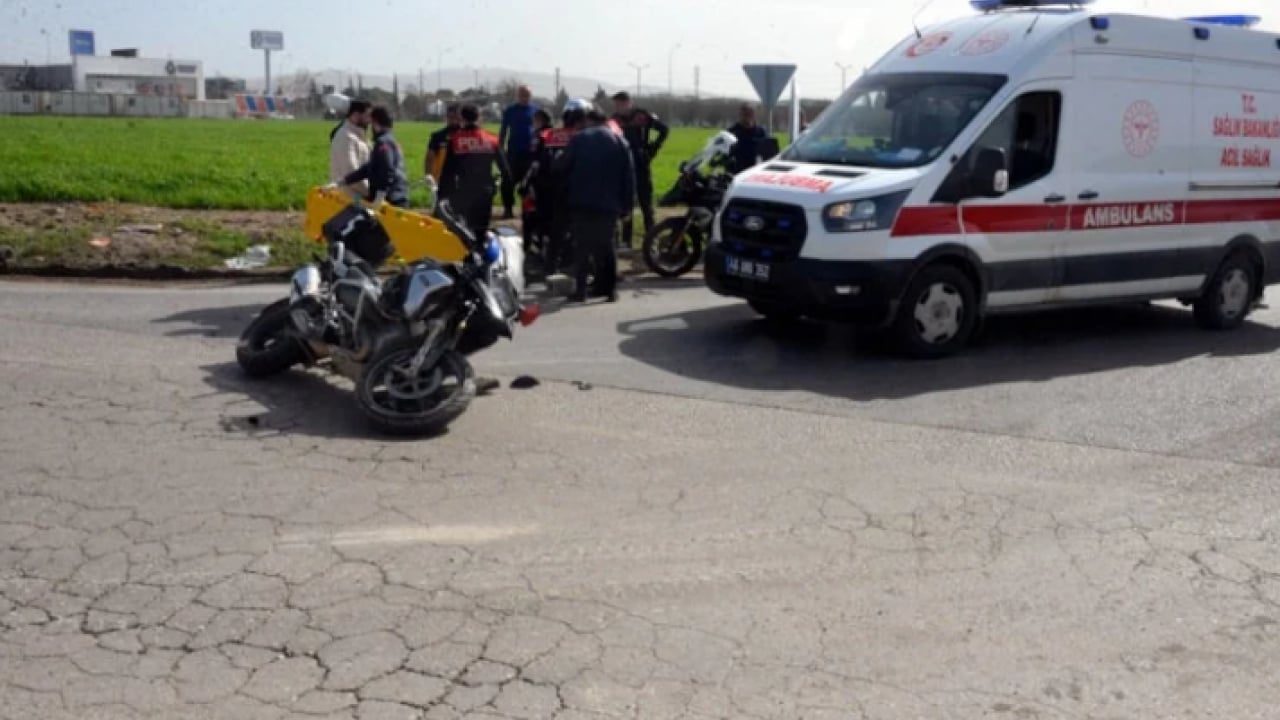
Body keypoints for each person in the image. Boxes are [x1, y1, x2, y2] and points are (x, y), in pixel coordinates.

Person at [556, 107, 634, 303]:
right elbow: (629, 177)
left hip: (582, 201)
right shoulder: (620, 141)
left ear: (588, 120)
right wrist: (627, 206)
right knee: (607, 247)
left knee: (582, 246)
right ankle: (610, 290)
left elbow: (561, 166)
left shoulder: (579, 139)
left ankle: (580, 291)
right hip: (609, 204)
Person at [528, 99, 589, 278]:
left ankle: (550, 265)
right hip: (578, 189)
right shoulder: (585, 137)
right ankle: (574, 263)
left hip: (550, 190)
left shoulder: (546, 135)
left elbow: (534, 163)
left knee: (555, 230)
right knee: (579, 229)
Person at [440, 103, 510, 237]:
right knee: (481, 229)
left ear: (462, 118)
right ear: (479, 117)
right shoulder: (492, 139)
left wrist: (442, 195)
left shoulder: (455, 140)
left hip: (463, 190)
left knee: (464, 230)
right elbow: (505, 170)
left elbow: (448, 172)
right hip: (485, 190)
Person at [611, 91, 669, 248]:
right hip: (623, 167)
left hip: (641, 164)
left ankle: (652, 241)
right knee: (626, 205)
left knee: (646, 205)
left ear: (630, 102)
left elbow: (664, 130)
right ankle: (626, 241)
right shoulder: (614, 120)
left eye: (622, 103)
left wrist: (652, 150)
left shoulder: (641, 116)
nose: (619, 106)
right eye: (617, 103)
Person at [340, 105, 409, 208]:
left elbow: (387, 169)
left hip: (391, 201)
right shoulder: (391, 141)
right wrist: (343, 181)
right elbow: (368, 168)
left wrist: (380, 195)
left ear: (375, 123)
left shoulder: (383, 143)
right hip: (397, 197)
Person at [498, 85, 538, 220]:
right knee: (508, 182)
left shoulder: (535, 111)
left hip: (530, 153)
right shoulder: (510, 111)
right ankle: (508, 209)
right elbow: (504, 130)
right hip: (513, 152)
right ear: (518, 96)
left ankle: (527, 210)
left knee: (529, 183)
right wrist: (500, 149)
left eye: (527, 95)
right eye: (522, 95)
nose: (525, 98)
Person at [329, 99, 372, 197]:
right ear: (356, 115)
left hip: (360, 198)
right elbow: (351, 173)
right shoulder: (345, 137)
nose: (370, 120)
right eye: (367, 116)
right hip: (348, 200)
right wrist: (371, 193)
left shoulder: (361, 136)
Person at [727, 103, 769, 175]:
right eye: (744, 114)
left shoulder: (761, 131)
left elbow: (768, 152)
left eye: (749, 114)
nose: (747, 117)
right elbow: (726, 154)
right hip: (736, 171)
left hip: (755, 171)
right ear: (740, 115)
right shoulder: (732, 132)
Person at [425, 104, 460, 183]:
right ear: (446, 117)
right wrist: (428, 175)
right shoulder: (438, 136)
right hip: (442, 179)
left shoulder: (467, 135)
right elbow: (429, 157)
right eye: (451, 117)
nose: (454, 120)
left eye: (457, 118)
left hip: (463, 180)